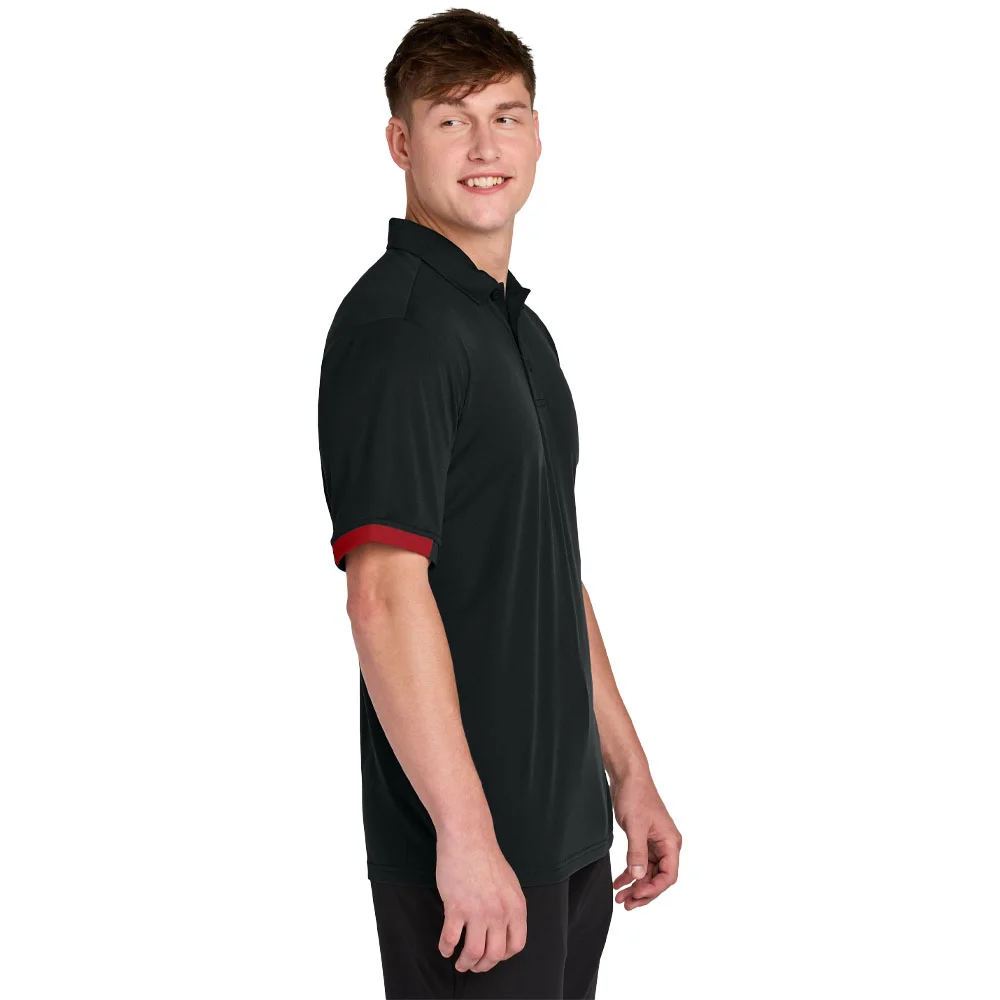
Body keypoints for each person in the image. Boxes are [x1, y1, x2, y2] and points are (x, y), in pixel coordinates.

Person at [317, 9, 682, 998]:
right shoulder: (400, 330)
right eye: (451, 120)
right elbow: (382, 597)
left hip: (563, 832)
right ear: (400, 142)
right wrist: (467, 837)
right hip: (472, 855)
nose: (485, 147)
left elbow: (549, 568)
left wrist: (628, 771)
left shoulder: (514, 328)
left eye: (506, 116)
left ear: (537, 135)